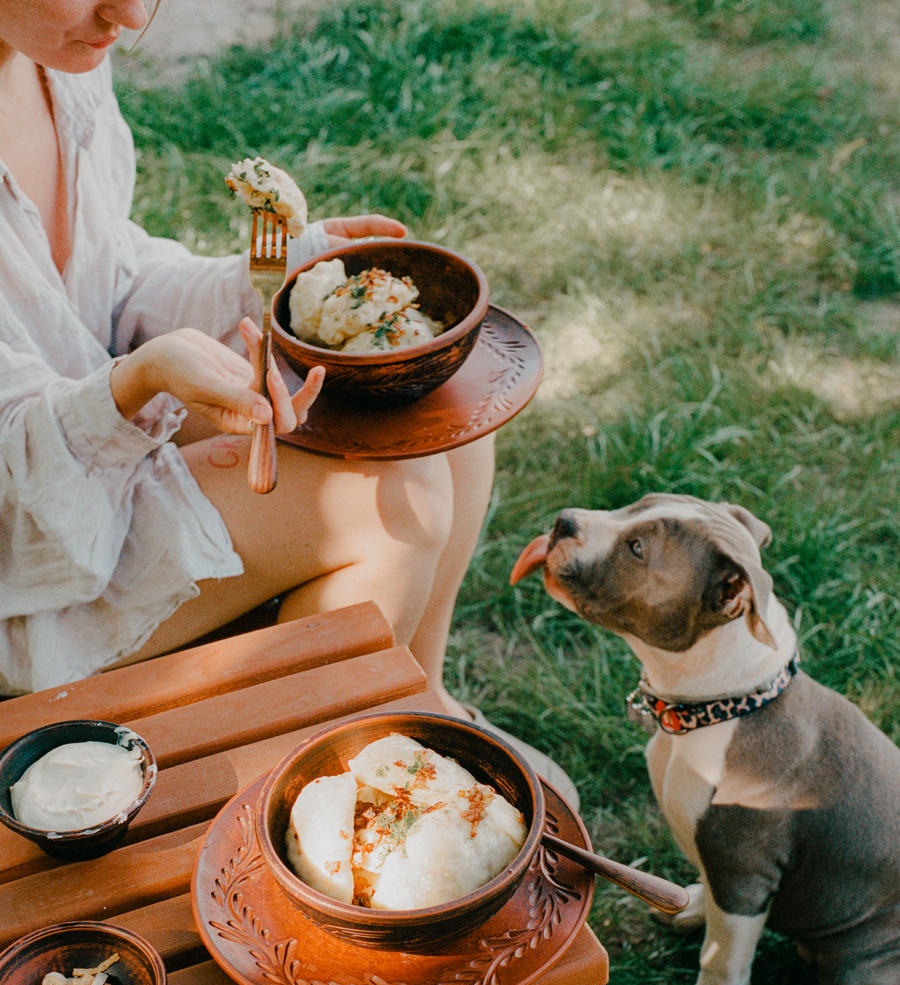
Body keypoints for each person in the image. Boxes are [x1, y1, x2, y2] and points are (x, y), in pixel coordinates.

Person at [0, 0, 578, 804]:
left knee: (433, 401)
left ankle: (415, 701)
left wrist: (281, 271)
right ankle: (306, 802)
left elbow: (107, 282)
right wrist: (137, 381)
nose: (128, 16)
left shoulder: (53, 61)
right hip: (30, 558)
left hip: (91, 441)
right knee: (390, 504)